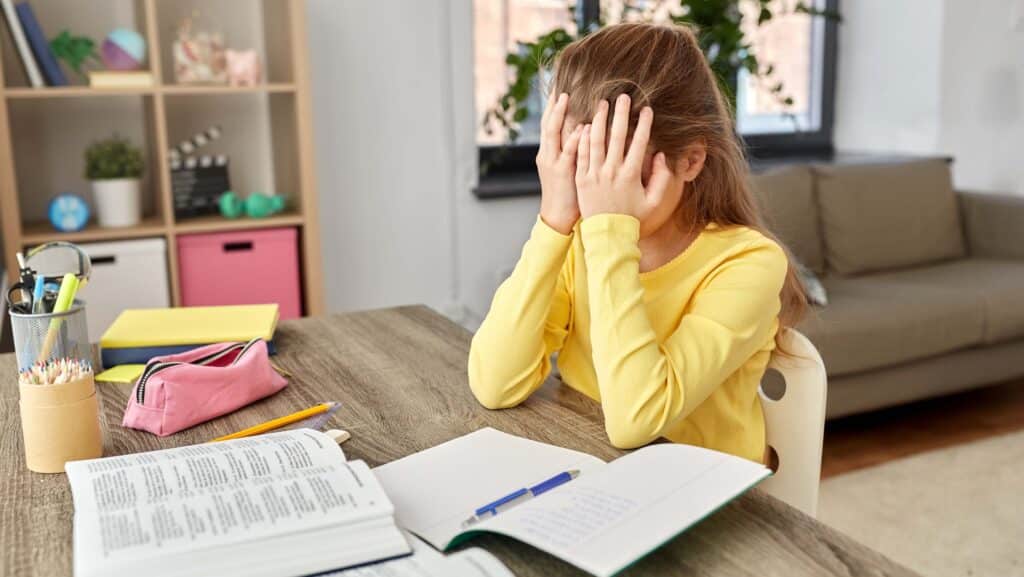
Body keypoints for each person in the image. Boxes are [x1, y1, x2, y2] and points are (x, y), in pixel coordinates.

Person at [468, 22, 807, 463]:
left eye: (625, 170)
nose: (598, 190)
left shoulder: (750, 263)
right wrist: (553, 222)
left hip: (704, 491)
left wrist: (611, 232)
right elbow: (496, 383)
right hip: (593, 463)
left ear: (691, 161)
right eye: (582, 163)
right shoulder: (579, 239)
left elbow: (636, 420)